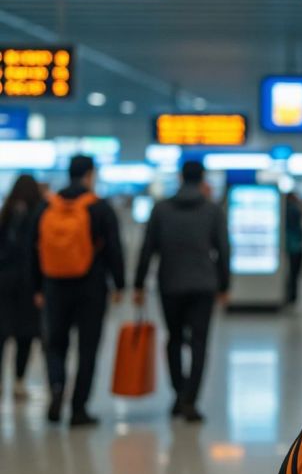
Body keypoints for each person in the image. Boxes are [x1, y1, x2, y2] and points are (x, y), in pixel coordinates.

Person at [30, 155, 126, 426]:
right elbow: (114, 249)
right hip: (91, 288)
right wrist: (119, 284)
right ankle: (79, 408)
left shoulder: (47, 207)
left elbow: (33, 248)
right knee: (88, 348)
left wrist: (37, 287)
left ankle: (58, 386)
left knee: (55, 344)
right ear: (90, 175)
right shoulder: (99, 207)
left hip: (54, 286)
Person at [133, 160, 231, 422]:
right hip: (203, 285)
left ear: (179, 177)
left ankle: (178, 393)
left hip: (170, 283)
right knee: (199, 342)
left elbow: (147, 248)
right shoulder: (211, 210)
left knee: (174, 338)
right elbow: (222, 249)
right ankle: (190, 399)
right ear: (202, 180)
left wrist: (139, 284)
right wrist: (224, 285)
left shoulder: (161, 209)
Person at [0, 174, 44, 400]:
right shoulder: (39, 214)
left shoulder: (5, 214)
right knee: (24, 337)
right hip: (28, 286)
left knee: (2, 335)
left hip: (4, 284)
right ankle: (18, 381)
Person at [283, 191, 302, 304]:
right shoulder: (297, 211)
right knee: (295, 272)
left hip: (286, 246)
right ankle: (293, 295)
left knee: (289, 272)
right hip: (296, 246)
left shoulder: (283, 210)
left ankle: (288, 293)